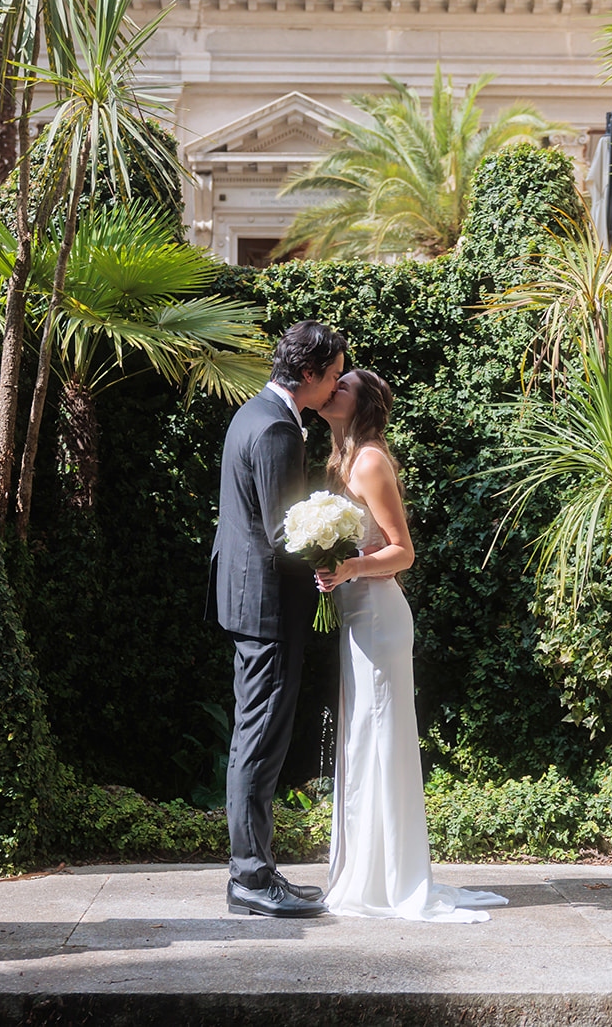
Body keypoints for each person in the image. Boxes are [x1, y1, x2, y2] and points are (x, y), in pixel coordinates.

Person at [314, 369, 507, 923]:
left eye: (342, 386)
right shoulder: (341, 460)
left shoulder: (370, 461)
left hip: (379, 616)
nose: (332, 390)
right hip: (357, 615)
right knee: (363, 737)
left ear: (364, 404)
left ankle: (388, 879)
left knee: (379, 739)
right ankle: (369, 870)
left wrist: (347, 567)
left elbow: (402, 552)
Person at [207, 320, 346, 919]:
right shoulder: (276, 431)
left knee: (256, 736)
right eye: (335, 374)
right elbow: (283, 531)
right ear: (309, 374)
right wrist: (339, 554)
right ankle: (249, 877)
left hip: (249, 598)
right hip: (265, 606)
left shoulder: (256, 412)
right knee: (259, 740)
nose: (337, 384)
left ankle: (257, 869)